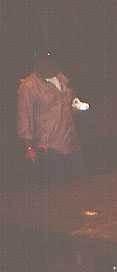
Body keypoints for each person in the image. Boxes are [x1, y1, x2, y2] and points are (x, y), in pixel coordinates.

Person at [17, 52, 83, 186]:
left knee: (79, 185)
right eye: (46, 62)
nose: (51, 66)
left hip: (71, 142)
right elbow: (24, 118)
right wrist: (28, 148)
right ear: (39, 64)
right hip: (49, 147)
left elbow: (71, 105)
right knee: (57, 190)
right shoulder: (29, 86)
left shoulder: (62, 79)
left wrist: (77, 108)